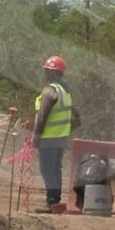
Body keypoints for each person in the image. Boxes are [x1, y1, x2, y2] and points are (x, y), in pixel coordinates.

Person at [32, 56, 73, 213]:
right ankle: (55, 202)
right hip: (61, 138)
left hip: (49, 139)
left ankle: (52, 202)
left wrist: (36, 136)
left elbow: (42, 116)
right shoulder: (66, 91)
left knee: (47, 170)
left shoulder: (50, 90)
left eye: (47, 71)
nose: (45, 73)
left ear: (52, 73)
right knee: (56, 169)